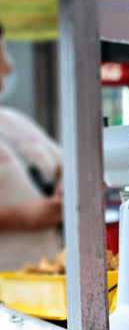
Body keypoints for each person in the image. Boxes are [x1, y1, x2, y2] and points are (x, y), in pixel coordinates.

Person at [0, 22, 62, 271]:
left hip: (46, 279)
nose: (7, 66)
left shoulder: (13, 120)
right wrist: (21, 218)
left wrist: (65, 189)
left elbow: (66, 164)